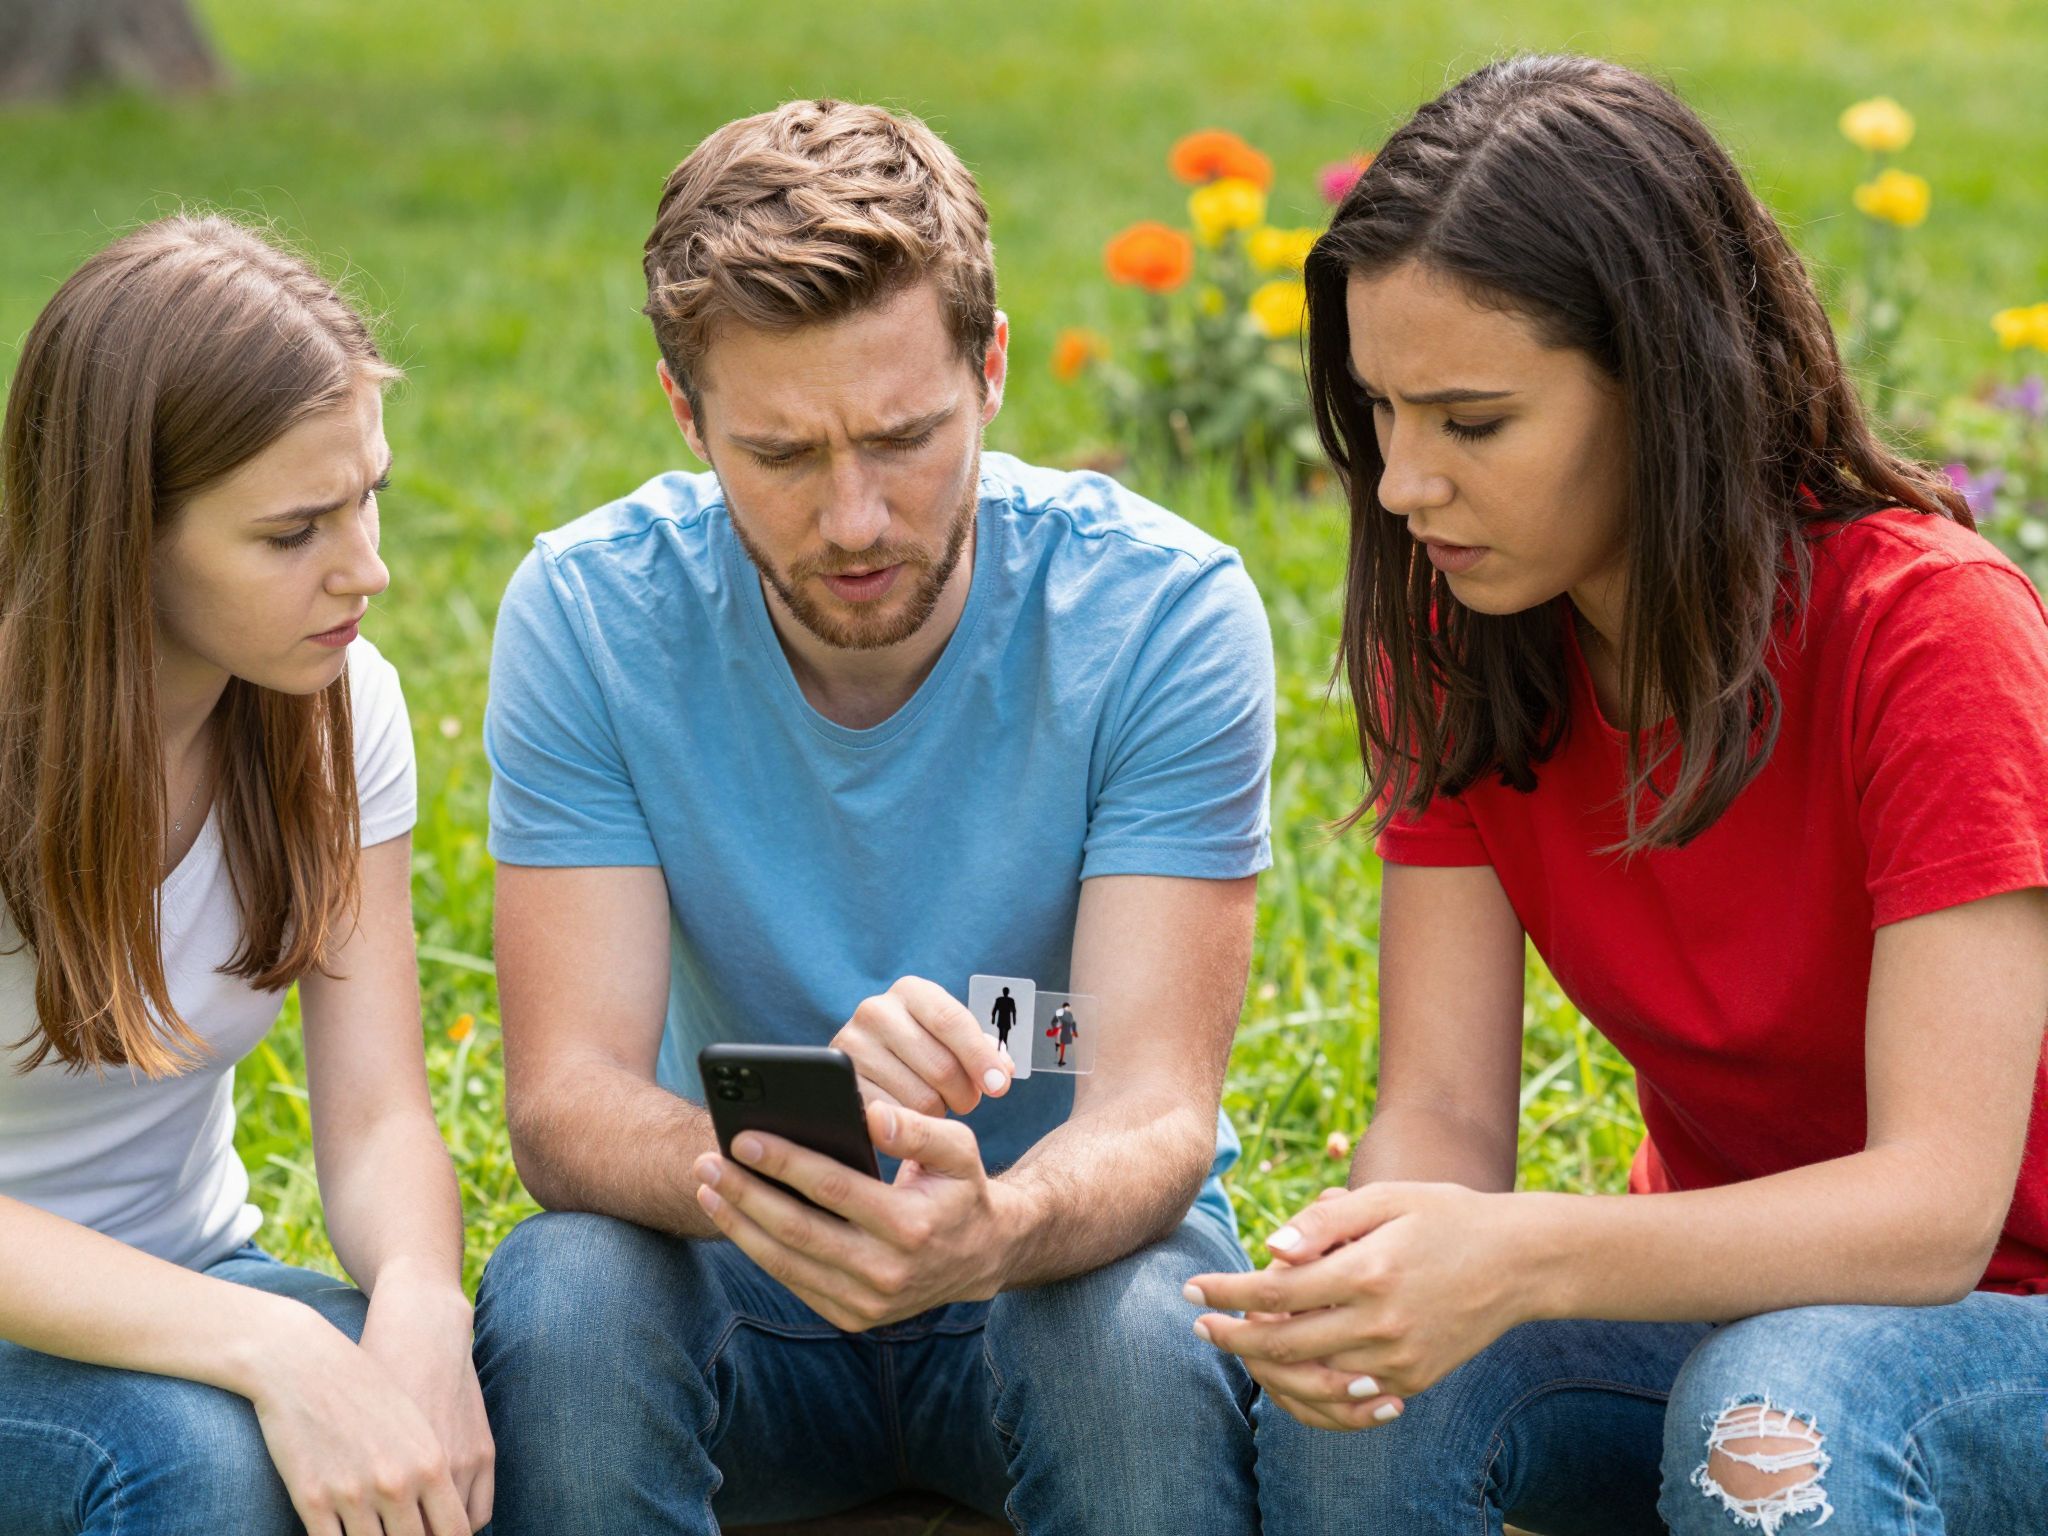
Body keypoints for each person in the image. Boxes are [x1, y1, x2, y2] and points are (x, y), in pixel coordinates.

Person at [1184, 53, 2048, 1536]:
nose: (1401, 484)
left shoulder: (1931, 636)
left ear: (1666, 388)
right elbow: (1442, 1112)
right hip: (1713, 1297)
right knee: (1366, 1394)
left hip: (2004, 1321)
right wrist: (1377, 1261)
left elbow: (1936, 1215)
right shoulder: (1464, 642)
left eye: (1471, 422)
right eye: (1382, 411)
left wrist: (1521, 1257)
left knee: (1772, 1418)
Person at [472, 100, 1275, 1534]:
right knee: (568, 1299)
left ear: (993, 369)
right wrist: (792, 1174)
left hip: (1055, 1259)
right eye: (782, 454)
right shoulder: (592, 616)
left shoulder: (1161, 615)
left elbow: (1154, 1105)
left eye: (904, 438)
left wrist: (994, 1227)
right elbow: (565, 1102)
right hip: (738, 1264)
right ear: (686, 416)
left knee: (1136, 1356)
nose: (853, 520)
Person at [0, 215, 493, 1536]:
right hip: (79, 1326)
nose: (368, 568)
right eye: (292, 534)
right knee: (203, 1467)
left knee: (487, 1399)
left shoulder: (337, 706)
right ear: (122, 539)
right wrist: (272, 1348)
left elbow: (378, 1116)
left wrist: (421, 1308)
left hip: (199, 1277)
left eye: (368, 494)